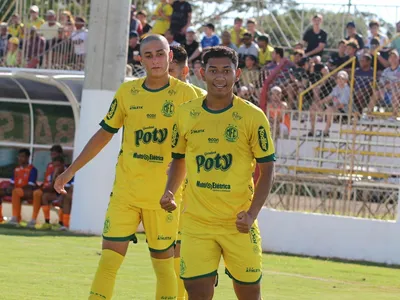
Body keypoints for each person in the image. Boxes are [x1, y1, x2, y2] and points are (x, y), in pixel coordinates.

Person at [54, 34, 197, 300]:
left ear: (169, 56)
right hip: (126, 194)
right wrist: (70, 170)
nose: (155, 60)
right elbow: (103, 135)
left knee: (164, 268)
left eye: (160, 53)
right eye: (148, 55)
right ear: (140, 59)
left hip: (164, 198)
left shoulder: (188, 95)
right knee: (108, 262)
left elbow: (201, 140)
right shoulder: (127, 92)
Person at [160, 46, 275, 300]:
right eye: (213, 70)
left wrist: (252, 214)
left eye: (226, 70)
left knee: (249, 295)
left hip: (239, 224)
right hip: (196, 224)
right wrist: (169, 190)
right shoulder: (186, 113)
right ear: (202, 74)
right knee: (197, 295)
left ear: (238, 74)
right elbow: (178, 160)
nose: (219, 76)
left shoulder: (253, 117)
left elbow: (267, 171)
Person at [28, 145, 64, 228]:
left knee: (40, 194)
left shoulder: (61, 167)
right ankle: (39, 220)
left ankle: (61, 223)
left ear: (60, 154)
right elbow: (47, 180)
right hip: (48, 189)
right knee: (38, 193)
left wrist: (44, 189)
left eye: (54, 154)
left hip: (57, 192)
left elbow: (54, 184)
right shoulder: (50, 165)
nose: (52, 156)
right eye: (51, 154)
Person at [309, 71, 350, 137]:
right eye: (338, 78)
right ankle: (312, 130)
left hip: (344, 112)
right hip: (333, 111)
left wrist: (330, 109)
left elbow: (342, 105)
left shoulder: (346, 89)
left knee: (329, 110)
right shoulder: (337, 88)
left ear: (346, 81)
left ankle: (326, 131)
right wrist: (319, 103)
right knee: (313, 107)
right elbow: (329, 97)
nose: (340, 80)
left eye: (342, 78)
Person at [7, 148, 38, 225]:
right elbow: (12, 183)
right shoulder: (16, 169)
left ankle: (15, 218)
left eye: (22, 156)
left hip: (27, 192)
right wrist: (9, 188)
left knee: (16, 192)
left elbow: (30, 185)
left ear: (27, 158)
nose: (20, 158)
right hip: (16, 190)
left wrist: (16, 188)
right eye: (19, 156)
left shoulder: (32, 169)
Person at [367, 50, 400, 121]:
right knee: (376, 93)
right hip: (387, 92)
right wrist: (381, 88)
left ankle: (393, 117)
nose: (392, 59)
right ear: (388, 59)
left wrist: (391, 85)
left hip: (397, 92)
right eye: (391, 57)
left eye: (395, 57)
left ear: (398, 58)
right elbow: (381, 83)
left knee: (395, 94)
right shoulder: (386, 71)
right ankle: (368, 115)